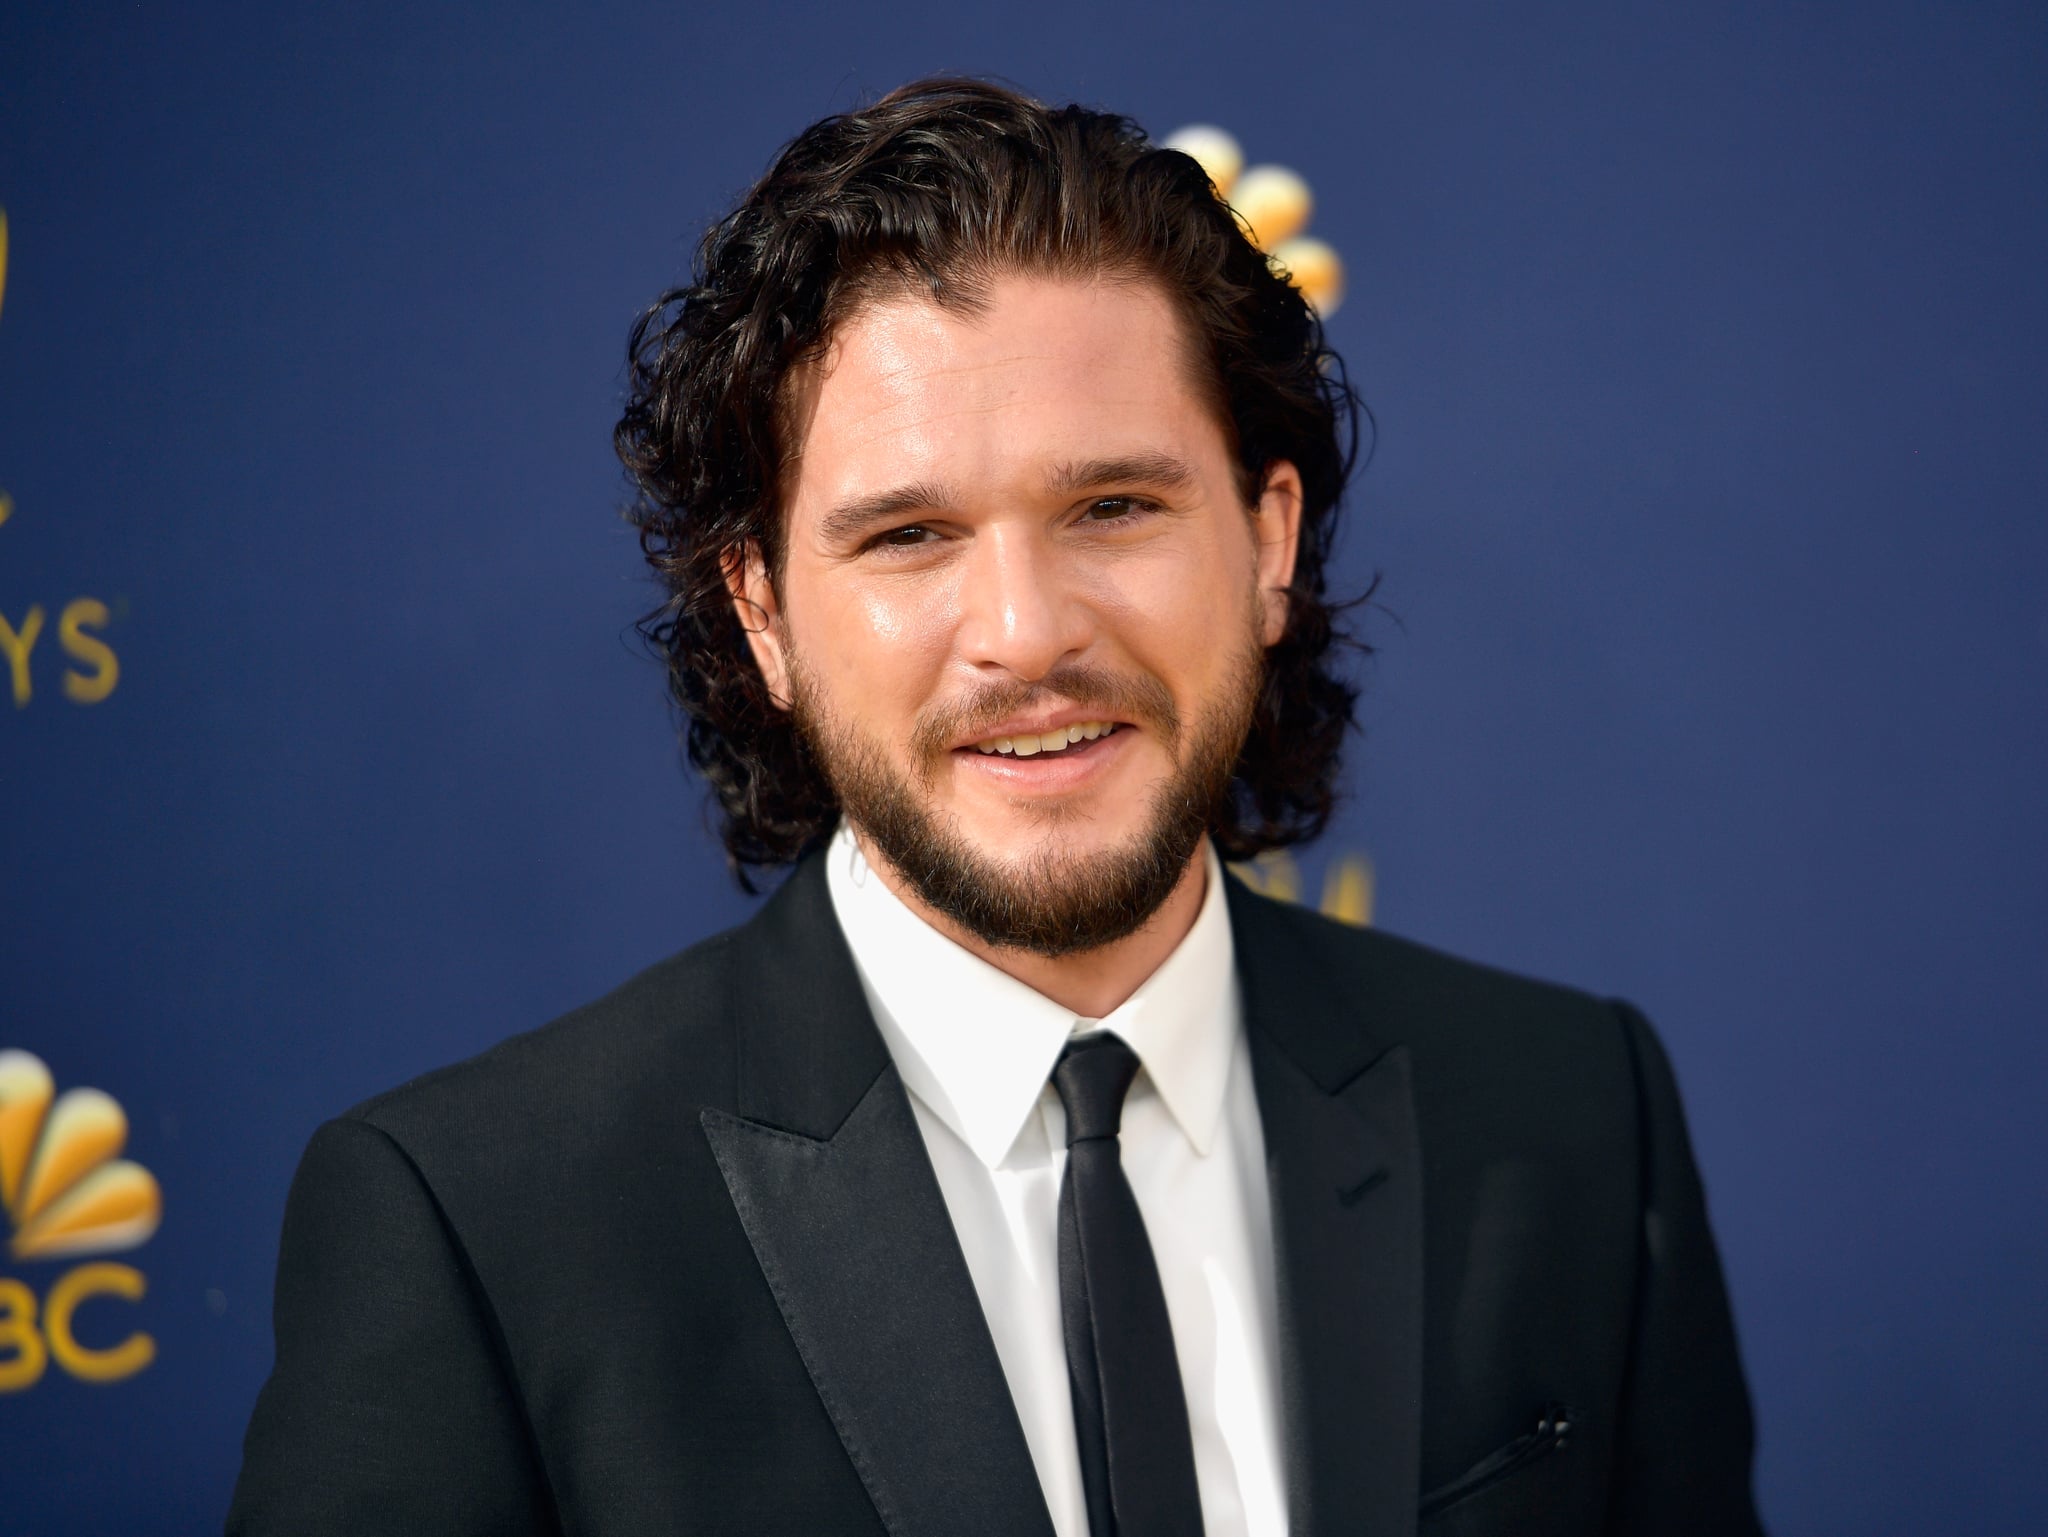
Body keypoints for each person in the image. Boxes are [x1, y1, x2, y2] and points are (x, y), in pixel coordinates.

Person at [228, 78, 1764, 1536]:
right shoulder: (478, 1226)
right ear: (761, 610)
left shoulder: (1570, 1115)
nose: (1026, 632)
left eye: (1113, 506)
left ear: (1267, 536)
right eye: (907, 535)